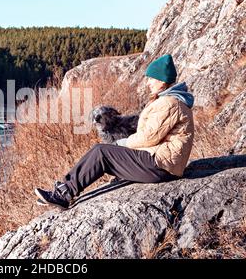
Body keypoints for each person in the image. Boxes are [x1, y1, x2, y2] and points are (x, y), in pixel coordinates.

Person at [35, 54, 195, 209]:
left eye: (151, 78)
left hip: (160, 165)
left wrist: (122, 143)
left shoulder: (169, 103)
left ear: (162, 80)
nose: (148, 83)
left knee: (101, 152)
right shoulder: (169, 101)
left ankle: (63, 194)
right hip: (161, 163)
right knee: (105, 154)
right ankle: (65, 189)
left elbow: (149, 137)